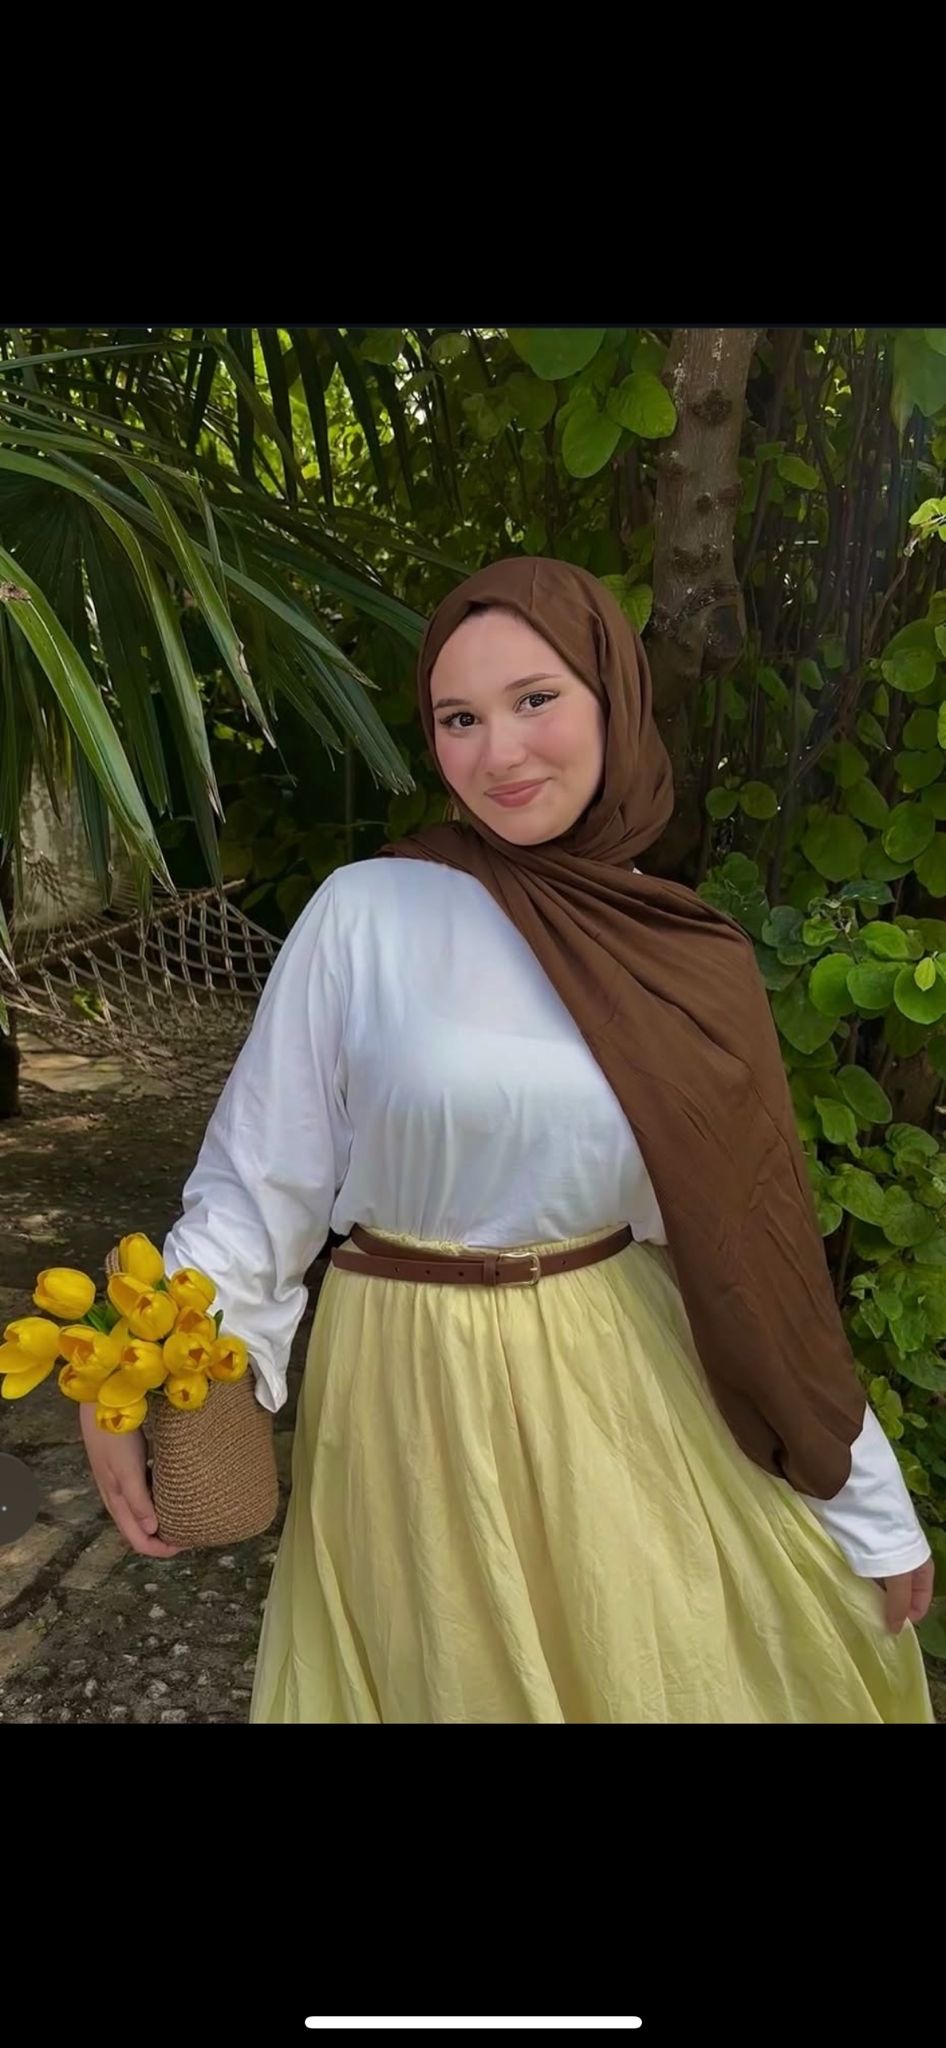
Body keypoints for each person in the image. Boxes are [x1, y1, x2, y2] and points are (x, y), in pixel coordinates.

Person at [80, 557, 935, 1724]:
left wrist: (867, 1502)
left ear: (612, 699)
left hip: (618, 1376)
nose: (501, 751)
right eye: (460, 718)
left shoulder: (686, 957)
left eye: (536, 699)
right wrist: (132, 1367)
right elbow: (255, 1189)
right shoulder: (367, 912)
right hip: (403, 1389)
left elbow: (751, 1255)